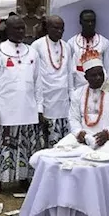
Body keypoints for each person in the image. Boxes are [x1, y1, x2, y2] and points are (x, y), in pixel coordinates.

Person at [0, 15, 43, 193]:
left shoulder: (32, 52)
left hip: (28, 108)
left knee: (26, 145)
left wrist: (40, 108)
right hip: (5, 108)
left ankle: (23, 178)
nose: (20, 31)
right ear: (7, 30)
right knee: (4, 145)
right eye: (16, 28)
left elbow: (38, 83)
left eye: (22, 28)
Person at [67, 55, 109, 154]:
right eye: (94, 75)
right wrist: (79, 132)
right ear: (86, 77)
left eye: (100, 74)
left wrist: (108, 132)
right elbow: (73, 118)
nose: (98, 78)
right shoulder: (78, 93)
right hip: (84, 138)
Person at [31, 15, 71, 148]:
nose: (59, 31)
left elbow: (70, 73)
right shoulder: (37, 46)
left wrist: (72, 98)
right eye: (56, 28)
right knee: (45, 142)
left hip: (63, 101)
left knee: (62, 143)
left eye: (62, 29)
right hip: (45, 99)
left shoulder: (67, 46)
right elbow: (34, 76)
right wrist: (38, 106)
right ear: (47, 28)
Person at [68, 9, 109, 89]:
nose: (90, 24)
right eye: (86, 21)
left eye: (93, 21)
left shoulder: (104, 42)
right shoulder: (71, 43)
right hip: (78, 89)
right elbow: (69, 71)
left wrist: (107, 93)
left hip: (99, 89)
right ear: (80, 22)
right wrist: (72, 92)